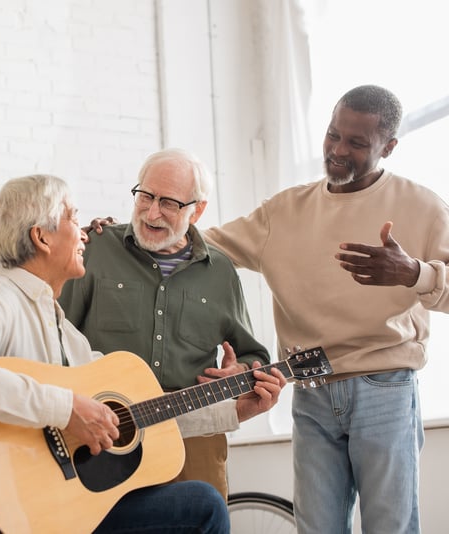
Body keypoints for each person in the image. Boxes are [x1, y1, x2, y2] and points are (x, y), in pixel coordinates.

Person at [0, 174, 287, 533]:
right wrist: (66, 409)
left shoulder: (64, 331)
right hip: (29, 505)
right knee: (202, 506)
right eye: (74, 220)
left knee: (194, 498)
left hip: (68, 500)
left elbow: (143, 413)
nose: (85, 234)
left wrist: (236, 409)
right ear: (42, 237)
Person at [202, 84, 449, 533]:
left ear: (389, 147)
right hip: (311, 390)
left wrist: (415, 273)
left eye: (356, 143)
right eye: (333, 135)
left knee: (389, 527)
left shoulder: (424, 207)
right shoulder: (284, 211)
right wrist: (118, 234)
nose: (337, 150)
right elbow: (202, 245)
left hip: (384, 389)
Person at [58, 148, 273, 501]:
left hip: (195, 440)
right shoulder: (96, 246)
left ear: (197, 209)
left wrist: (245, 370)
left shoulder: (220, 271)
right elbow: (56, 336)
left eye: (169, 203)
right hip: (105, 435)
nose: (152, 212)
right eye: (145, 196)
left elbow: (253, 355)